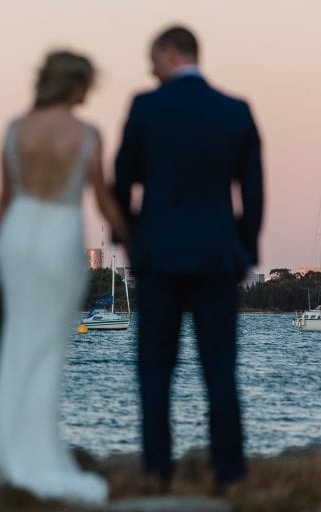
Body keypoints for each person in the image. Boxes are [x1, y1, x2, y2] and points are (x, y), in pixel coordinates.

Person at [114, 25, 263, 492]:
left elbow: (121, 185)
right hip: (218, 257)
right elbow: (253, 194)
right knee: (220, 370)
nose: (149, 70)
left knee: (155, 370)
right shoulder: (235, 111)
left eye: (153, 61)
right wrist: (245, 248)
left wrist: (133, 244)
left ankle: (158, 472)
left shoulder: (146, 108)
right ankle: (230, 474)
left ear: (171, 54)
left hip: (159, 257)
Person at [0, 50, 128, 504]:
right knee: (49, 343)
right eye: (87, 84)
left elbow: (6, 198)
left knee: (18, 339)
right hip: (58, 235)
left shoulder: (16, 129)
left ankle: (11, 453)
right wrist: (132, 238)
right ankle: (39, 455)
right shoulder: (86, 133)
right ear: (73, 86)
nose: (90, 92)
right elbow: (103, 199)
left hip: (18, 235)